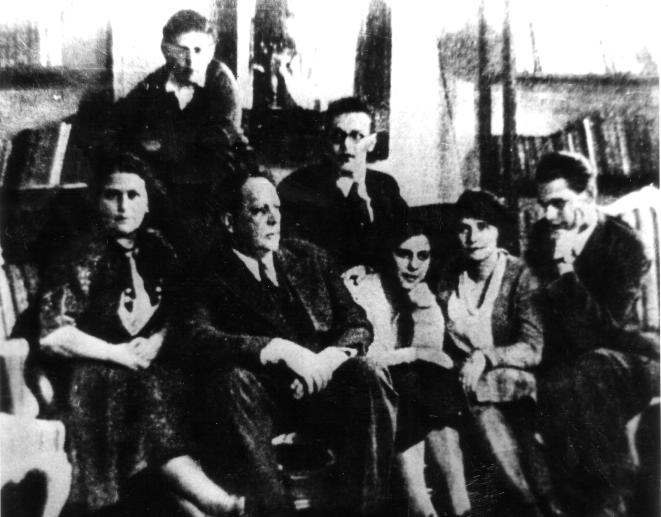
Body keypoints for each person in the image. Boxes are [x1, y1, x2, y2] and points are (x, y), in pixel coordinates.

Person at [34, 153, 244, 517]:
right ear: (96, 199)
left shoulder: (158, 247)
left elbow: (182, 308)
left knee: (188, 387)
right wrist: (118, 353)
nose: (123, 206)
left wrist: (158, 340)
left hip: (151, 365)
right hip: (95, 370)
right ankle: (212, 500)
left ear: (147, 203)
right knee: (140, 391)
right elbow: (53, 333)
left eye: (133, 196)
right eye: (112, 195)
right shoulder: (80, 255)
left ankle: (199, 507)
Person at [180, 169, 397, 517]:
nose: (273, 218)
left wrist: (327, 360)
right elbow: (194, 335)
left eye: (276, 208)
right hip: (262, 400)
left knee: (368, 373)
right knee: (231, 382)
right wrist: (276, 349)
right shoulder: (207, 272)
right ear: (229, 221)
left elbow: (357, 323)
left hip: (323, 389)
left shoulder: (310, 258)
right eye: (258, 210)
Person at [527, 152, 660, 517]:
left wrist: (565, 271)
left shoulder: (626, 245)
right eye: (543, 205)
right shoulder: (542, 236)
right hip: (565, 358)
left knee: (589, 370)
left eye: (558, 204)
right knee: (563, 381)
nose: (548, 215)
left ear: (589, 195)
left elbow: (603, 331)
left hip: (629, 358)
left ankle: (608, 502)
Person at [436, 190, 559, 517]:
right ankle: (530, 505)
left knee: (484, 395)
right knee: (464, 396)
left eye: (483, 226)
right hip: (463, 382)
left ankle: (534, 504)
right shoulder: (449, 275)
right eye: (464, 228)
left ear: (498, 230)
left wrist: (486, 357)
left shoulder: (520, 275)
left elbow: (532, 347)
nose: (473, 237)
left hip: (513, 380)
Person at [343, 219, 466, 517]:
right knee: (409, 379)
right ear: (387, 254)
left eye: (423, 256)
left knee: (434, 381)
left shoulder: (424, 296)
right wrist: (414, 353)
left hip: (406, 394)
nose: (414, 265)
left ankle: (461, 505)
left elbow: (433, 360)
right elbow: (369, 360)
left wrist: (423, 309)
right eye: (404, 254)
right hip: (359, 390)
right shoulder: (364, 290)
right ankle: (422, 507)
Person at [105, 9, 246, 186]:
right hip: (166, 174)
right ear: (166, 51)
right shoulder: (158, 80)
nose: (191, 60)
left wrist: (161, 144)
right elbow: (122, 116)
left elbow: (221, 137)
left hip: (213, 172)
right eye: (181, 52)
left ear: (211, 51)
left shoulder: (222, 80)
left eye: (198, 50)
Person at [278, 96, 408, 269]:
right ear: (325, 141)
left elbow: (406, 242)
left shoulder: (385, 185)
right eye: (337, 136)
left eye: (356, 136)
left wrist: (373, 272)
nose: (346, 145)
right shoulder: (297, 186)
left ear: (371, 142)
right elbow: (294, 256)